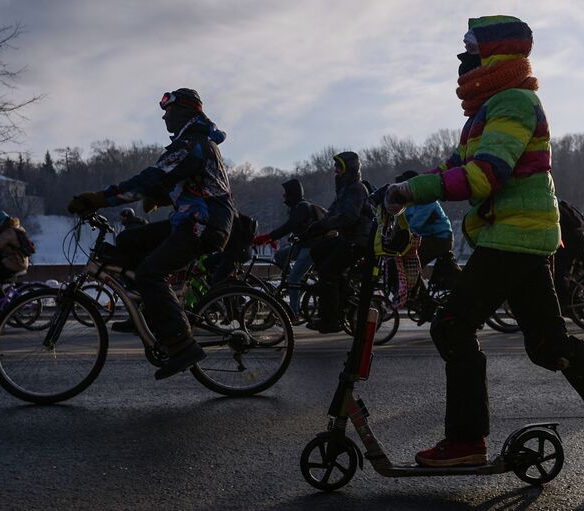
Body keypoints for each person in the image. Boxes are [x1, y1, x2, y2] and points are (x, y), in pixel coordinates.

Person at [385, 16, 584, 473]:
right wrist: (401, 187)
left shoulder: (512, 102)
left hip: (514, 235)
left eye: (469, 51)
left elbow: (484, 175)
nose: (461, 60)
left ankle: (466, 440)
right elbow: (450, 167)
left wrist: (409, 193)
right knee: (548, 344)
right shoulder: (487, 112)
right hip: (520, 235)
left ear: (494, 55)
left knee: (452, 326)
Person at [67, 88, 234, 380]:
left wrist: (100, 198)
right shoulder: (191, 141)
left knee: (150, 274)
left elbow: (153, 177)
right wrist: (161, 195)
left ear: (184, 110)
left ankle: (183, 346)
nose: (163, 115)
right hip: (190, 219)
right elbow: (183, 181)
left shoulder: (192, 143)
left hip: (203, 224)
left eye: (167, 108)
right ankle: (144, 310)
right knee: (129, 240)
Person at [304, 151, 373, 333]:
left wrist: (326, 226)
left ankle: (331, 319)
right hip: (347, 237)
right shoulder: (344, 188)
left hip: (358, 241)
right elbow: (334, 210)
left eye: (339, 167)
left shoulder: (356, 188)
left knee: (328, 272)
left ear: (349, 168)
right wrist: (317, 227)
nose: (335, 170)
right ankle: (342, 290)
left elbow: (348, 217)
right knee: (317, 251)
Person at [252, 178, 326, 315]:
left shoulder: (302, 206)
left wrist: (269, 237)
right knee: (280, 256)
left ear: (293, 193)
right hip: (302, 245)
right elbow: (298, 229)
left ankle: (293, 313)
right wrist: (272, 239)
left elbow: (289, 226)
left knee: (293, 279)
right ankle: (295, 281)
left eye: (286, 193)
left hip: (310, 247)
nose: (283, 195)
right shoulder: (295, 207)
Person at [395, 170, 453, 267]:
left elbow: (414, 226)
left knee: (409, 261)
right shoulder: (409, 203)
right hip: (426, 238)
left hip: (440, 239)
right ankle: (413, 281)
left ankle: (412, 281)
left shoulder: (427, 201)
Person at [554, 200, 584, 311]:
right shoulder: (559, 206)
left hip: (575, 247)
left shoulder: (557, 209)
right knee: (564, 276)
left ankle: (566, 305)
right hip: (576, 246)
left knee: (558, 275)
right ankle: (569, 300)